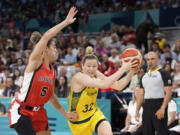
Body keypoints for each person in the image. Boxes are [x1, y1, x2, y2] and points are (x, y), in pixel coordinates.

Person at [8, 7, 78, 135]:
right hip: (22, 110)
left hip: (39, 111)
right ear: (45, 48)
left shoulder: (52, 71)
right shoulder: (35, 62)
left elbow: (51, 97)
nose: (57, 50)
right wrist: (66, 22)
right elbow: (46, 36)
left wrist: (65, 113)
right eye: (54, 47)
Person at [68, 46, 138, 135]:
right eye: (88, 66)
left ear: (97, 67)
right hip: (78, 119)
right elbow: (104, 84)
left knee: (107, 131)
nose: (91, 69)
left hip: (94, 114)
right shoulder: (79, 77)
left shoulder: (96, 73)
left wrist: (131, 72)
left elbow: (118, 86)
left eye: (94, 66)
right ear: (82, 66)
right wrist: (123, 68)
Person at [136, 52, 172, 135]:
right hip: (146, 107)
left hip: (159, 104)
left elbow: (169, 92)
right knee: (147, 132)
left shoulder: (164, 73)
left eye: (152, 59)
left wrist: (163, 108)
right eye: (148, 59)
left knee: (162, 132)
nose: (150, 61)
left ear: (158, 60)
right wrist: (137, 110)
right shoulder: (144, 76)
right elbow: (141, 94)